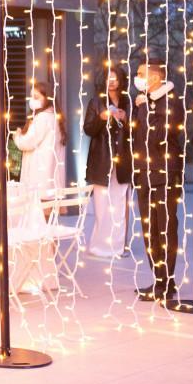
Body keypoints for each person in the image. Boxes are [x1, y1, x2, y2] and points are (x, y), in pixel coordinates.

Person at [131, 57, 184, 303]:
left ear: (155, 77)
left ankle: (168, 281)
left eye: (141, 73)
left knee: (165, 227)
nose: (137, 77)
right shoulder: (143, 102)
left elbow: (161, 134)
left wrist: (148, 107)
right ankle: (158, 279)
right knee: (148, 228)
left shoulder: (171, 100)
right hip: (144, 172)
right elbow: (137, 136)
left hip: (164, 174)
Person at [83, 66, 133, 258]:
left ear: (121, 81)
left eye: (115, 78)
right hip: (102, 159)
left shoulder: (127, 101)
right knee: (102, 205)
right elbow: (88, 129)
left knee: (120, 204)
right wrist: (101, 118)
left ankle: (119, 246)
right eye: (108, 78)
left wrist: (125, 118)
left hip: (123, 159)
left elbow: (136, 128)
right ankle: (99, 246)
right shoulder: (96, 102)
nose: (112, 81)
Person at [13, 81, 66, 195]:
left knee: (38, 211)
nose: (32, 100)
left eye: (36, 97)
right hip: (51, 181)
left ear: (47, 98)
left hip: (39, 179)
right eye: (31, 97)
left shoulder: (43, 118)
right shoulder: (55, 117)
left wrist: (17, 136)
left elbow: (28, 142)